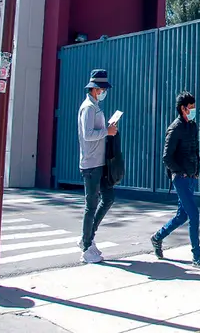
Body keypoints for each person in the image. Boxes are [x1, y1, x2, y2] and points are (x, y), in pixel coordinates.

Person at [150, 91, 200, 270]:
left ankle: (157, 237)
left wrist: (196, 171)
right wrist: (180, 173)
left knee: (182, 215)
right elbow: (166, 157)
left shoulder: (192, 126)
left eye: (194, 107)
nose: (193, 110)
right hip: (181, 178)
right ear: (182, 108)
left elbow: (195, 150)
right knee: (194, 214)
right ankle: (196, 255)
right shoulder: (175, 128)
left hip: (192, 176)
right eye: (191, 107)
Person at [78, 69, 118, 263]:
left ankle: (88, 236)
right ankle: (86, 246)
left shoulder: (95, 107)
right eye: (102, 89)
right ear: (95, 89)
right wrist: (106, 131)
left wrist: (108, 129)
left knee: (108, 198)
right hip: (91, 164)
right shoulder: (88, 108)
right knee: (91, 205)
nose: (104, 92)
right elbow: (87, 135)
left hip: (99, 163)